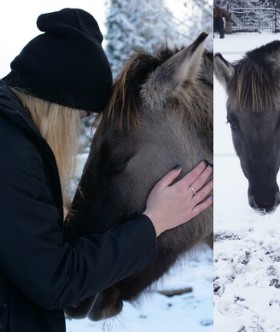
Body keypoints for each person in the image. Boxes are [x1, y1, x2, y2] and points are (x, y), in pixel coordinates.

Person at [0, 8, 213, 331]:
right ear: (60, 104)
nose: (75, 129)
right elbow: (54, 279)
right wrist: (154, 221)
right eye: (81, 116)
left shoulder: (13, 138)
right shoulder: (10, 149)